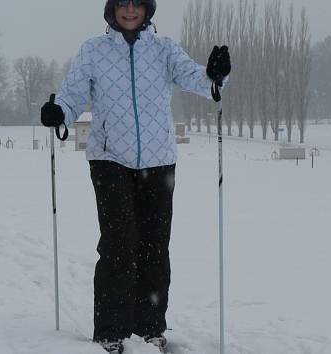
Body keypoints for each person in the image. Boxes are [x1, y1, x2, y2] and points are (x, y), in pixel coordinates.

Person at [41, 1, 230, 353]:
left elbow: (196, 78)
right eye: (123, 3)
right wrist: (59, 112)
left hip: (159, 161)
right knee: (119, 243)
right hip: (109, 159)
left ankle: (150, 327)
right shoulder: (93, 50)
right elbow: (73, 94)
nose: (130, 10)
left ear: (147, 10)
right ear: (112, 9)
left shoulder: (164, 49)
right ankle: (111, 331)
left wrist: (215, 75)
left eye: (137, 3)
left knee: (155, 245)